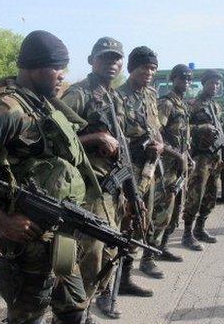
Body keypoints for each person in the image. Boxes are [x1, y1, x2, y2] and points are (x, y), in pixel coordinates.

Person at [0, 30, 94, 324]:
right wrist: (3, 221)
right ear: (32, 67)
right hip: (25, 239)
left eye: (64, 67)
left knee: (73, 310)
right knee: (27, 316)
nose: (62, 75)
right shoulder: (3, 111)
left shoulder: (43, 105)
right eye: (56, 67)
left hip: (60, 234)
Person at [60, 36, 144, 318]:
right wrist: (95, 137)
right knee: (89, 256)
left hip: (114, 189)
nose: (112, 63)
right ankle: (73, 313)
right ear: (91, 60)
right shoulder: (78, 94)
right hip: (89, 190)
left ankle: (87, 306)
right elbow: (55, 139)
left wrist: (133, 194)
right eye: (106, 58)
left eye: (116, 59)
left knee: (110, 251)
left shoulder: (113, 96)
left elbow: (123, 146)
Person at [117, 46, 165, 286]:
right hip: (130, 170)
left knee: (144, 220)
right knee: (126, 222)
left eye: (153, 68)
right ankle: (114, 284)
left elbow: (155, 126)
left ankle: (129, 274)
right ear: (132, 68)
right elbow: (114, 136)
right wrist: (139, 147)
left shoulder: (151, 94)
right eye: (144, 67)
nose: (149, 72)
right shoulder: (118, 96)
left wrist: (160, 145)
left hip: (150, 167)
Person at [181, 70, 224, 250]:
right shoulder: (192, 105)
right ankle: (187, 233)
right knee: (195, 196)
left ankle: (200, 228)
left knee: (211, 195)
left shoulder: (216, 107)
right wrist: (201, 128)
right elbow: (183, 129)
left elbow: (221, 129)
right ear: (203, 83)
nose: (215, 86)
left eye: (217, 84)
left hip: (214, 157)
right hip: (199, 157)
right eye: (211, 83)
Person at [154, 64, 192, 263]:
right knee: (162, 211)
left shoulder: (182, 104)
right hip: (166, 167)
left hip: (180, 166)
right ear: (173, 79)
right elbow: (156, 134)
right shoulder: (167, 103)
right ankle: (148, 258)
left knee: (176, 209)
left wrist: (187, 156)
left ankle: (163, 247)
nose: (186, 82)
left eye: (188, 79)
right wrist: (177, 155)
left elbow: (184, 135)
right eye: (182, 78)